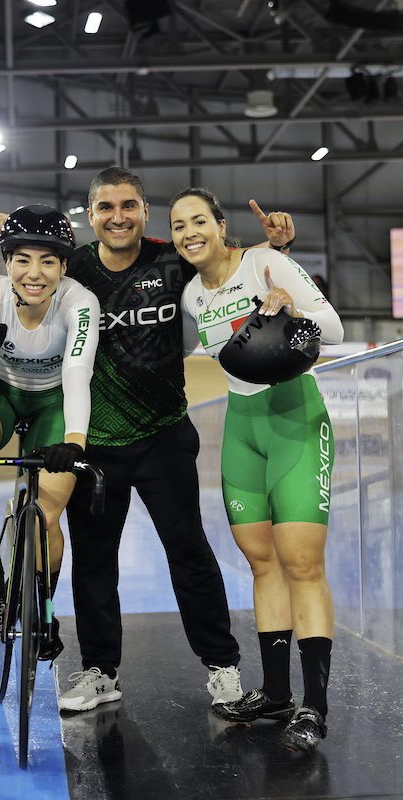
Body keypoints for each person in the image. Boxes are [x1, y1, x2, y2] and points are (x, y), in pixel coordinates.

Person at [0, 167, 295, 714]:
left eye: (128, 205)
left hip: (163, 435)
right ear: (91, 215)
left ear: (144, 212)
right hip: (94, 441)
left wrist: (277, 247)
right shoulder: (71, 268)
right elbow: (23, 286)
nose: (118, 216)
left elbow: (230, 264)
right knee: (96, 561)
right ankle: (101, 671)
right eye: (106, 207)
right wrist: (14, 241)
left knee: (189, 554)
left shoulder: (171, 260)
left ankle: (222, 666)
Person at [173, 187, 343, 752]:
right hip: (242, 425)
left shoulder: (265, 262)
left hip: (294, 416)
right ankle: (275, 693)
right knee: (261, 561)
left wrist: (296, 310)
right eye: (178, 226)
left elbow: (334, 327)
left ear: (221, 226)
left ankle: (314, 707)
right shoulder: (194, 295)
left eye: (199, 220)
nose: (189, 232)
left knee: (301, 563)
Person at [0, 205, 100, 659]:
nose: (34, 274)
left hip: (54, 399)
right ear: (6, 262)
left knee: (48, 511)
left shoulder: (80, 302)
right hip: (0, 392)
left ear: (64, 267)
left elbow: (76, 374)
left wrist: (73, 444)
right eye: (23, 260)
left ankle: (45, 608)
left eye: (48, 261)